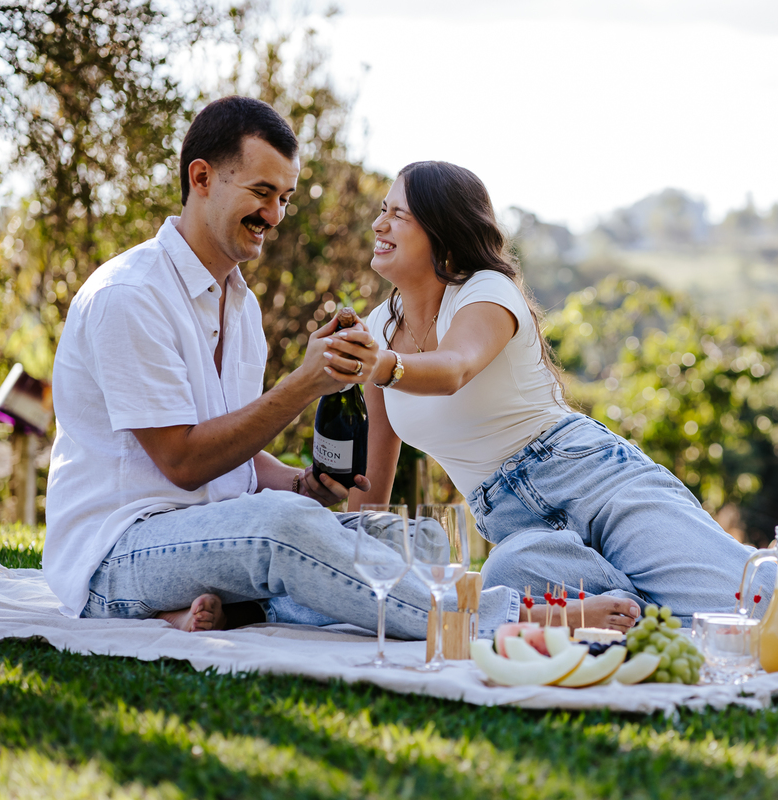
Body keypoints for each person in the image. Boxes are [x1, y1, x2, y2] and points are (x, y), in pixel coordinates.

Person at [42, 97, 630, 638]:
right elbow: (182, 461)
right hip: (120, 554)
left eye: (286, 198)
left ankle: (251, 606)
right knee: (281, 527)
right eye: (262, 192)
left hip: (213, 535)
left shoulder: (237, 302)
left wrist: (302, 483)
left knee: (416, 539)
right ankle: (515, 617)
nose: (274, 214)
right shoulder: (131, 296)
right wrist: (303, 386)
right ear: (201, 178)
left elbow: (229, 454)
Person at [317, 160, 778, 625]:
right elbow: (371, 487)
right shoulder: (375, 333)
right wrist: (356, 569)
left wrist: (382, 364)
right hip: (517, 531)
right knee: (504, 573)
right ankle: (639, 612)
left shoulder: (487, 291)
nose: (379, 223)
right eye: (383, 209)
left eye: (400, 214)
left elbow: (455, 367)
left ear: (444, 231)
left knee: (751, 608)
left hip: (590, 478)